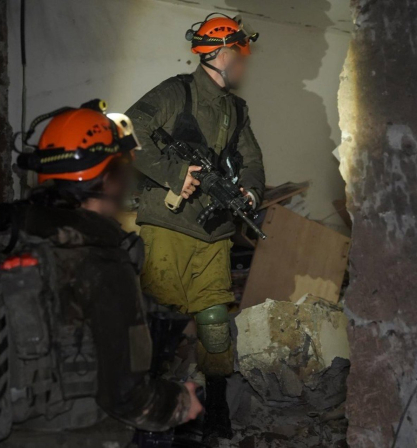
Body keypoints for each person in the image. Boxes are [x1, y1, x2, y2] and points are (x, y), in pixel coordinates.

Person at [0, 102, 204, 431]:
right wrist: (181, 403)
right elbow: (129, 399)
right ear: (108, 180)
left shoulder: (12, 235)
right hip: (62, 433)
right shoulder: (102, 261)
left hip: (4, 422)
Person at [125, 13, 265, 442]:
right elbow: (126, 130)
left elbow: (252, 160)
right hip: (168, 226)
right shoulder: (176, 93)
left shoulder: (236, 109)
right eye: (241, 53)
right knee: (161, 323)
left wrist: (250, 193)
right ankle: (151, 414)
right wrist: (174, 173)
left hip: (214, 234)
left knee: (215, 323)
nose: (244, 62)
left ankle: (215, 411)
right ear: (223, 53)